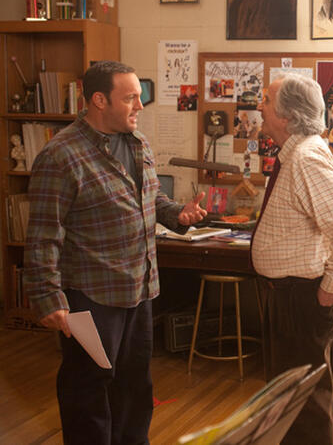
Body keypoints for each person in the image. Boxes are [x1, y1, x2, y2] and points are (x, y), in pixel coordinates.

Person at [23, 60, 208, 445]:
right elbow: (43, 235)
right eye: (130, 98)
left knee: (135, 387)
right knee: (88, 390)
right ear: (98, 100)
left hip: (139, 289)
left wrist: (179, 214)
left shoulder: (137, 143)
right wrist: (47, 297)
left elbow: (149, 198)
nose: (140, 106)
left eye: (139, 98)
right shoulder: (61, 156)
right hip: (90, 296)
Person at [252, 72, 333, 444]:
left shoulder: (304, 157)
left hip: (300, 298)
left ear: (286, 116)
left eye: (267, 101)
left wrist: (330, 288)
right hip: (288, 296)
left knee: (305, 407)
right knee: (289, 402)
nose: (260, 106)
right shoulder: (298, 153)